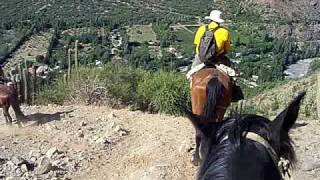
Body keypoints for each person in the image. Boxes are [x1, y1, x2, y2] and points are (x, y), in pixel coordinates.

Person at [189, 10, 243, 102]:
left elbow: (196, 44)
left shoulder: (201, 29)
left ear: (210, 19)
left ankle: (189, 93)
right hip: (217, 59)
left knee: (191, 75)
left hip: (200, 58)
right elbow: (227, 49)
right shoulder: (225, 32)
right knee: (232, 75)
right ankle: (234, 94)